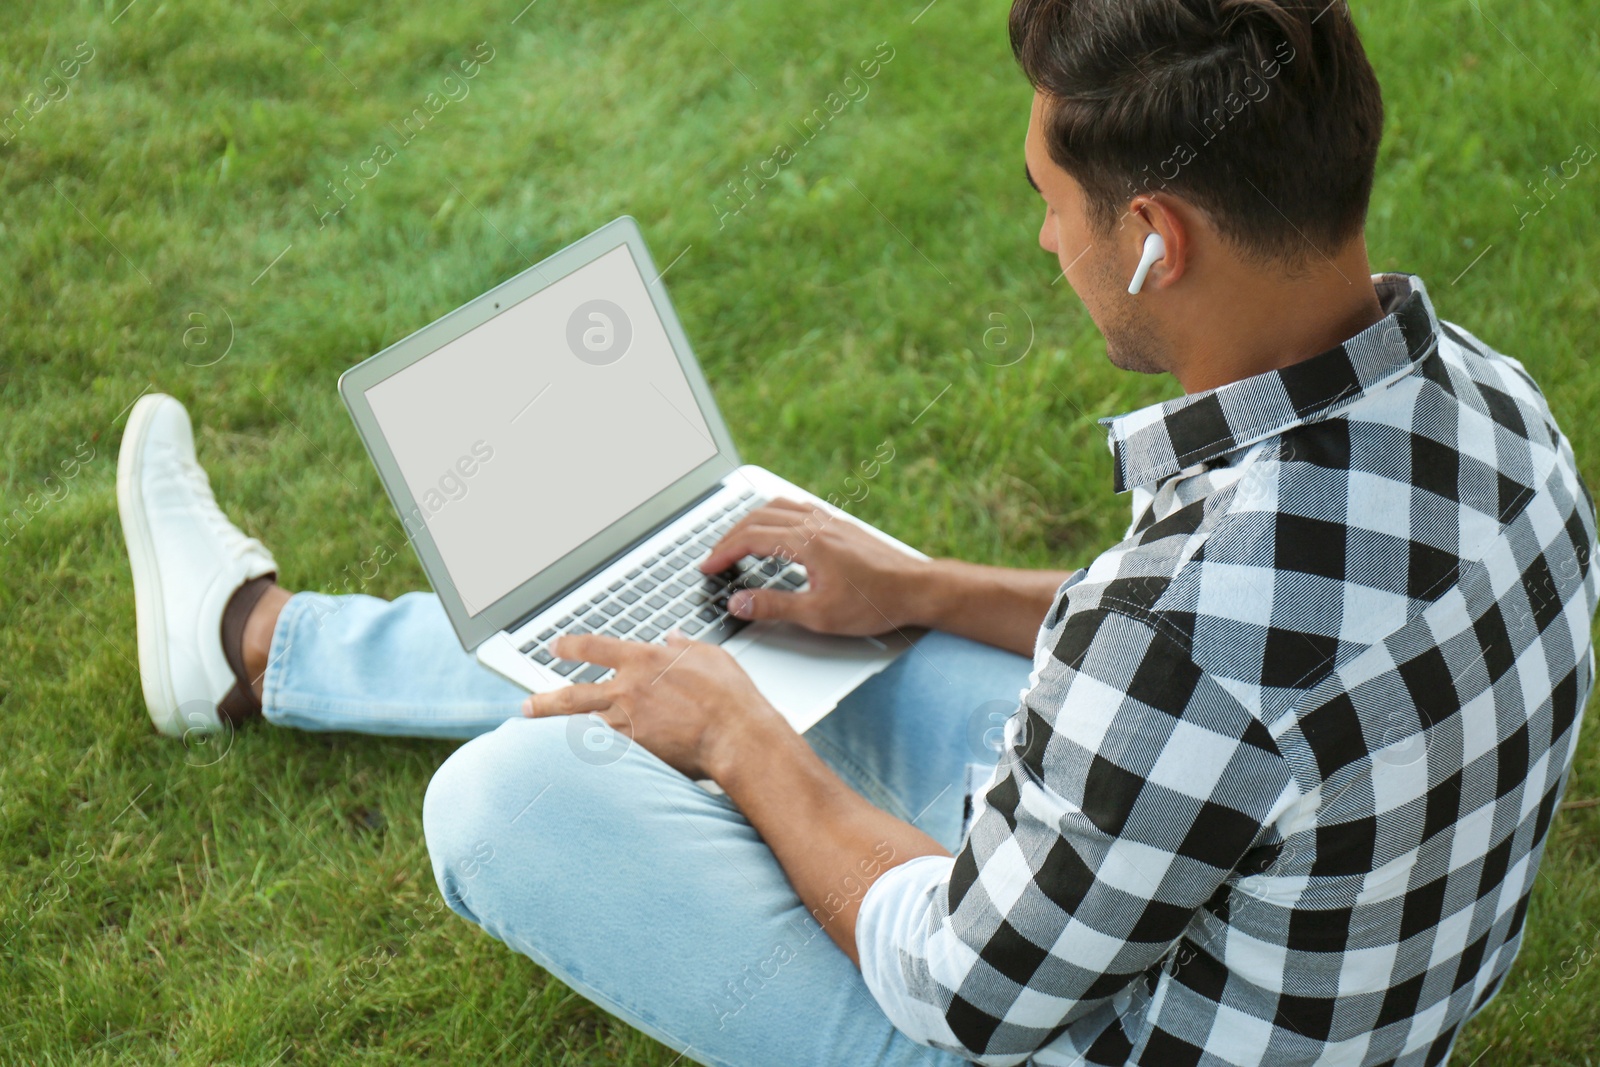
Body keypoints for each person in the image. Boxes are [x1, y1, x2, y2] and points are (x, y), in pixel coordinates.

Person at [116, 1, 1597, 1063]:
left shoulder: (1178, 636)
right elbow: (1237, 678)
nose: (1043, 243)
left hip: (1071, 1023)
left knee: (505, 806)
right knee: (808, 623)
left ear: (1156, 237)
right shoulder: (1492, 404)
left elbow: (962, 990)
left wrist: (741, 746)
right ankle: (256, 647)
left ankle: (286, 652)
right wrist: (923, 587)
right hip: (1312, 970)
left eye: (1051, 204)